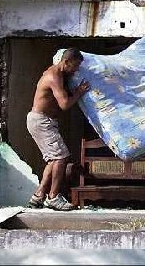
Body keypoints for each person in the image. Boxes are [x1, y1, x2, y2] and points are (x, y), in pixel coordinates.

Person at [26, 48, 90, 211]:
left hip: (45, 121)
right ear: (66, 62)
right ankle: (53, 197)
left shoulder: (60, 74)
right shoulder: (54, 76)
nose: (75, 70)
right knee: (61, 157)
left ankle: (38, 196)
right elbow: (65, 104)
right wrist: (79, 93)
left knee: (53, 159)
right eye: (74, 66)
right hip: (41, 121)